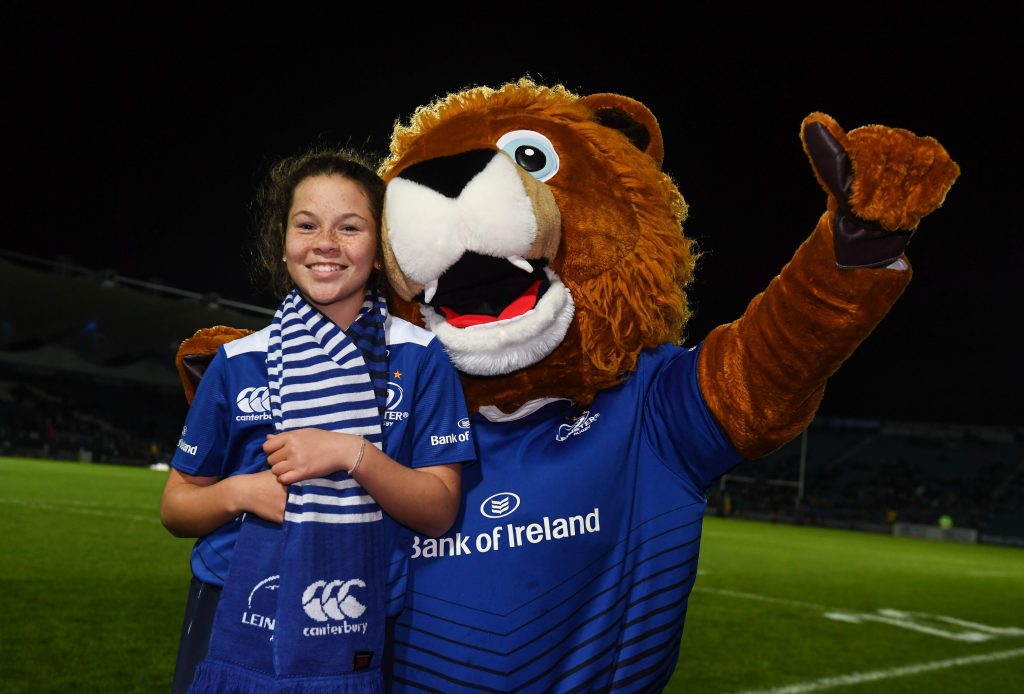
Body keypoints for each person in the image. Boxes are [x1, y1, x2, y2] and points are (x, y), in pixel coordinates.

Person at [160, 146, 474, 693]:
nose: (325, 242)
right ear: (283, 244)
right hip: (232, 606)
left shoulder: (421, 357)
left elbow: (439, 511)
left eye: (349, 227)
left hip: (358, 612)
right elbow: (176, 506)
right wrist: (241, 492)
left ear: (380, 251)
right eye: (306, 225)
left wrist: (353, 454)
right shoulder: (238, 361)